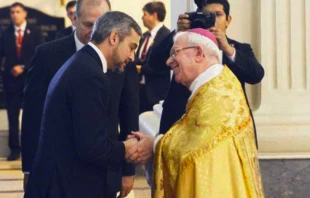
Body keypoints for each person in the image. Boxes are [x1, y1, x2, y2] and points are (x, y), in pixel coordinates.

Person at [21, 0, 139, 197]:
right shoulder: (84, 69)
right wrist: (127, 148)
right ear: (74, 19)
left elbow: (128, 112)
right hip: (69, 178)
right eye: (132, 47)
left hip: (95, 173)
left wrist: (127, 170)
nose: (95, 30)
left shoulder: (90, 61)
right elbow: (34, 116)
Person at [130, 28, 265, 198]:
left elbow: (194, 152)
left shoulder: (217, 95)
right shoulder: (215, 86)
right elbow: (188, 137)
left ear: (199, 53)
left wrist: (155, 144)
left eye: (175, 53)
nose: (169, 61)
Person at [152, 0, 264, 146]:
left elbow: (256, 75)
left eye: (218, 15)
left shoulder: (239, 49)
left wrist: (228, 50)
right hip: (181, 126)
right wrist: (177, 33)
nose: (213, 20)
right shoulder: (183, 45)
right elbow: (154, 64)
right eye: (207, 16)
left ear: (228, 20)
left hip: (228, 131)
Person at [0, 2, 43, 161]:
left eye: (17, 12)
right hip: (11, 81)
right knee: (13, 116)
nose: (14, 15)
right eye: (12, 12)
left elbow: (40, 54)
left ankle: (32, 147)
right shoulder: (6, 33)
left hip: (30, 80)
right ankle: (14, 149)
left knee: (32, 115)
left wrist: (24, 67)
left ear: (24, 14)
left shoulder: (36, 32)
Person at [136, 1, 170, 113]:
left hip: (156, 93)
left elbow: (163, 65)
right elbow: (139, 59)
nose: (142, 17)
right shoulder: (145, 36)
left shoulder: (166, 36)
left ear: (154, 15)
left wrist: (142, 69)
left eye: (145, 14)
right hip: (140, 91)